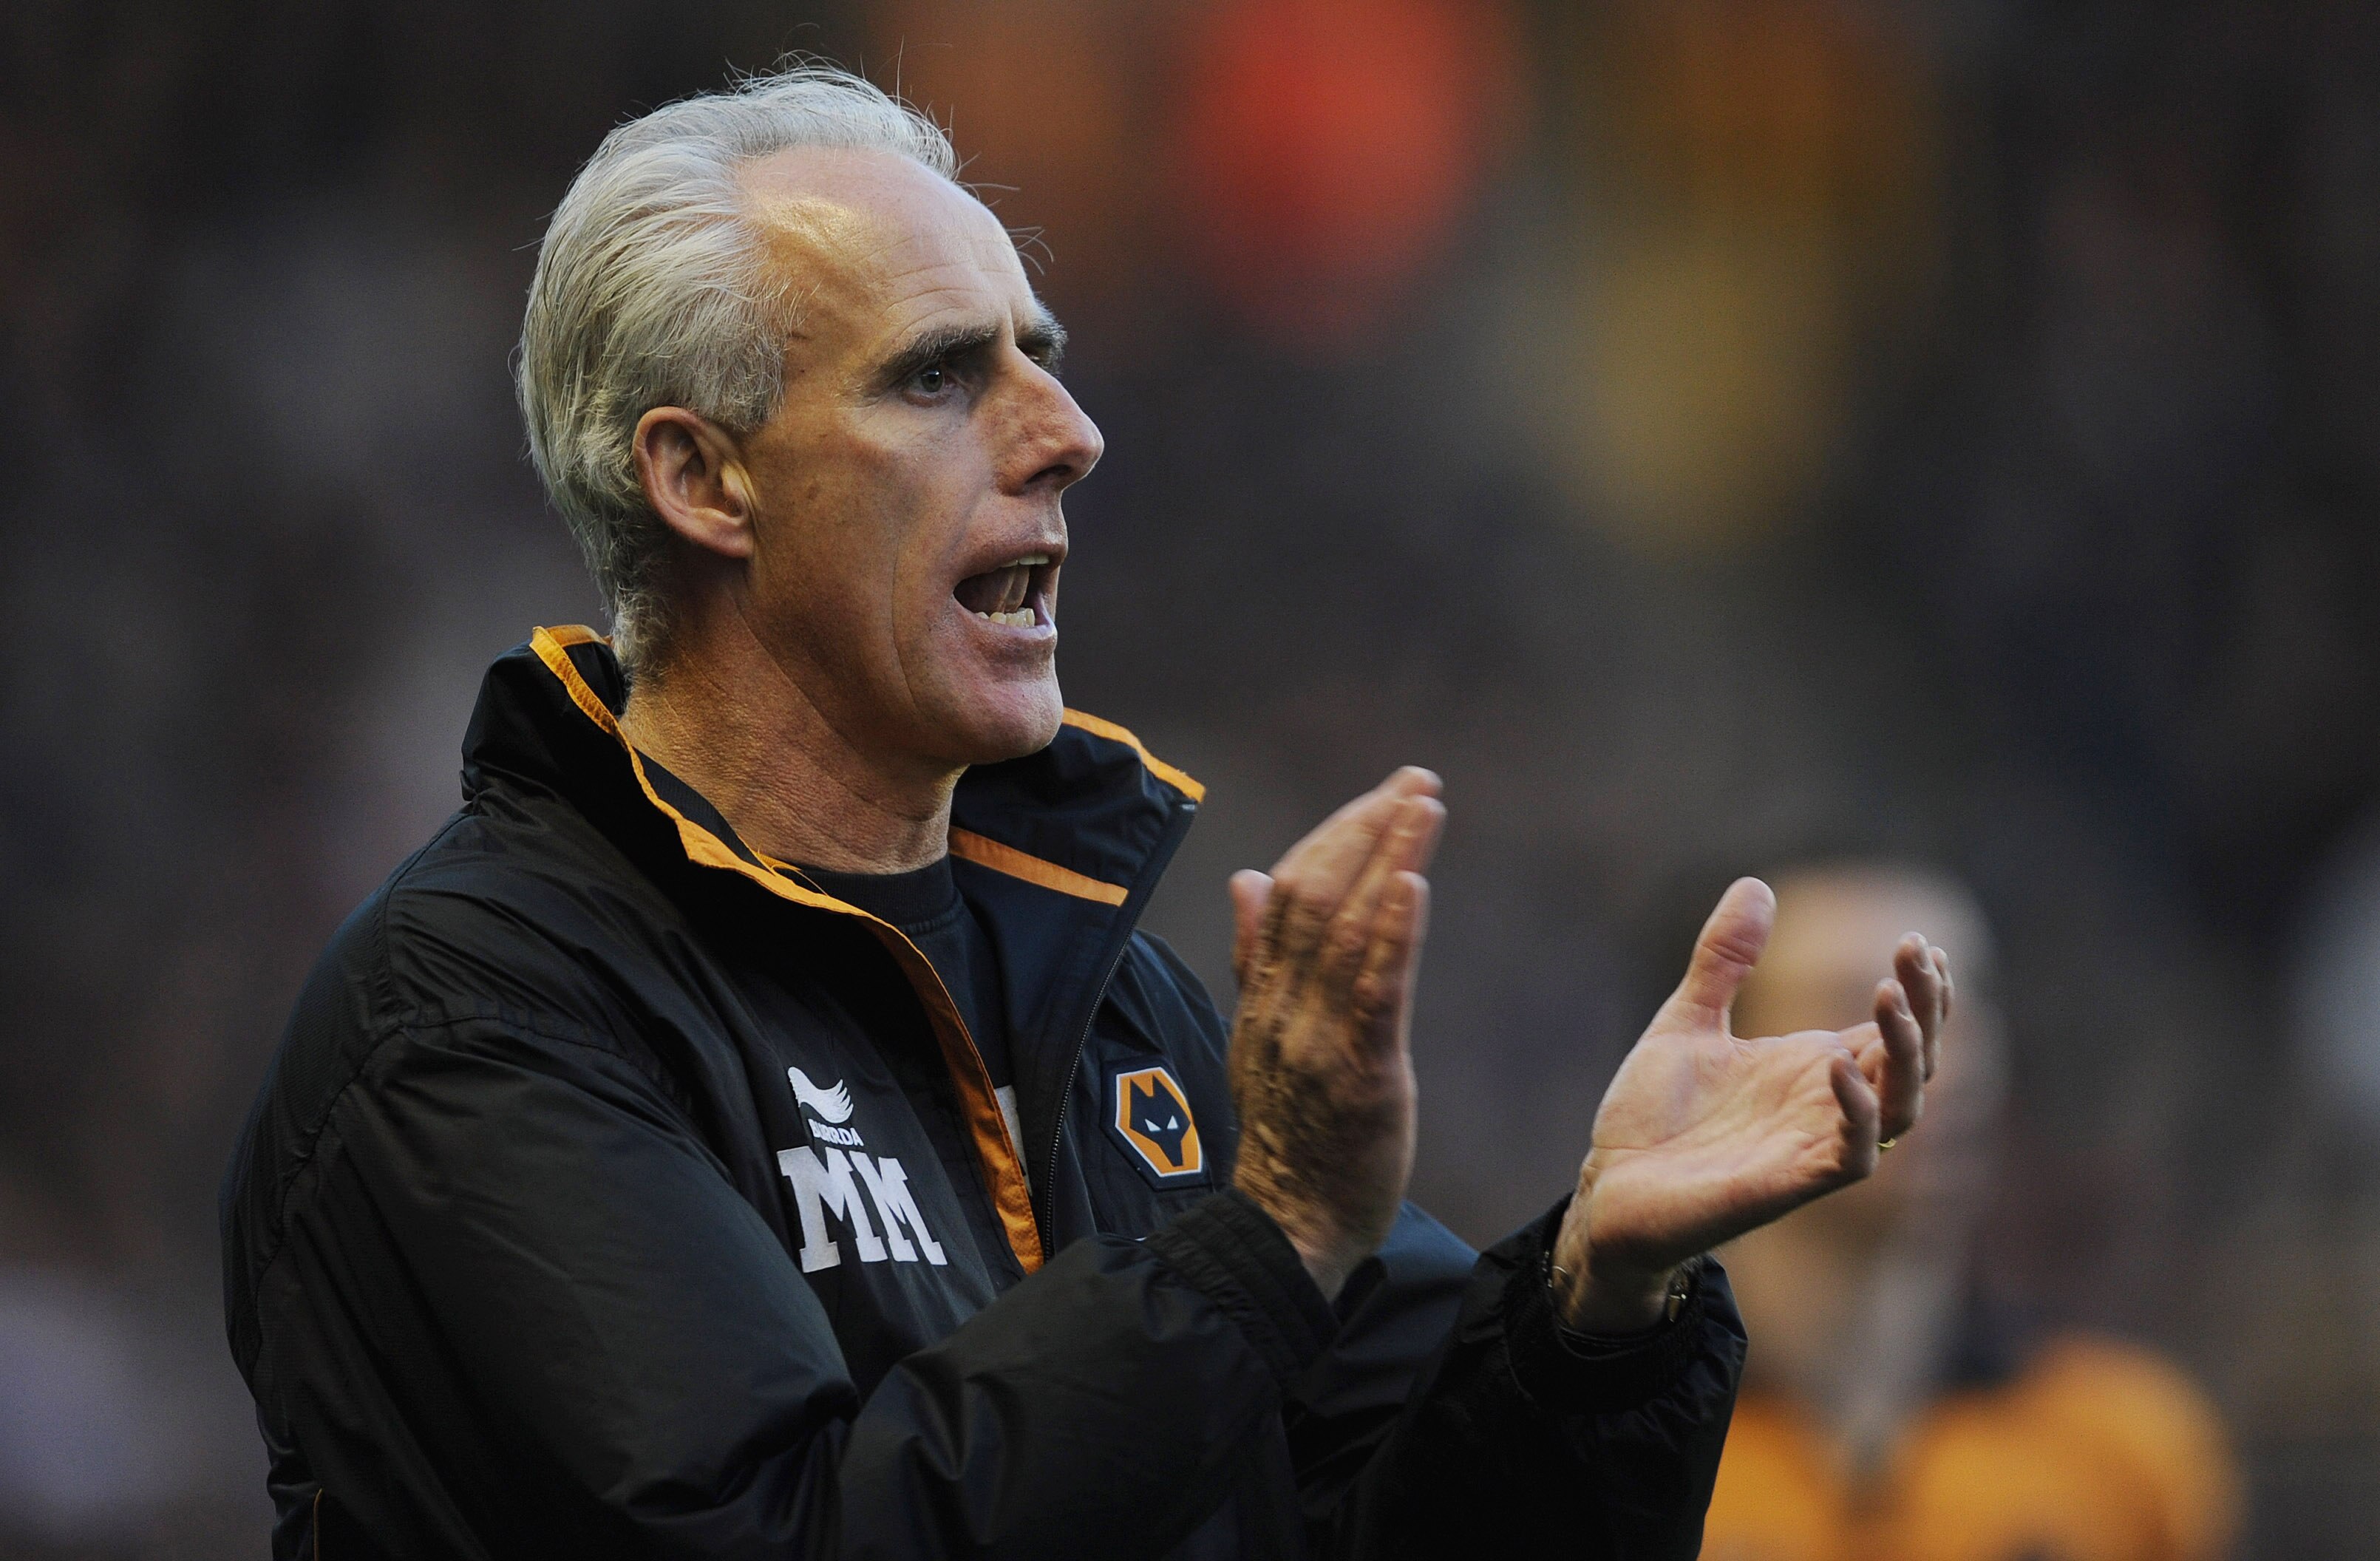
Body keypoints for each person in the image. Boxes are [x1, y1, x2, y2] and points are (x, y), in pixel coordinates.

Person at [219, 66, 1953, 1560]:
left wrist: (1599, 1296)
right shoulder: (480, 1016)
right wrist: (1263, 1231)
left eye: (1039, 358)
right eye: (939, 376)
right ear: (701, 476)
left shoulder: (1114, 1002)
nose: (1070, 430)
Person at [1701, 865, 2235, 1561]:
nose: (1934, 1053)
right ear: (1713, 1063)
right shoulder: (1613, 1448)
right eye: (1857, 1004)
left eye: (1959, 1000)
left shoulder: (2124, 1443)